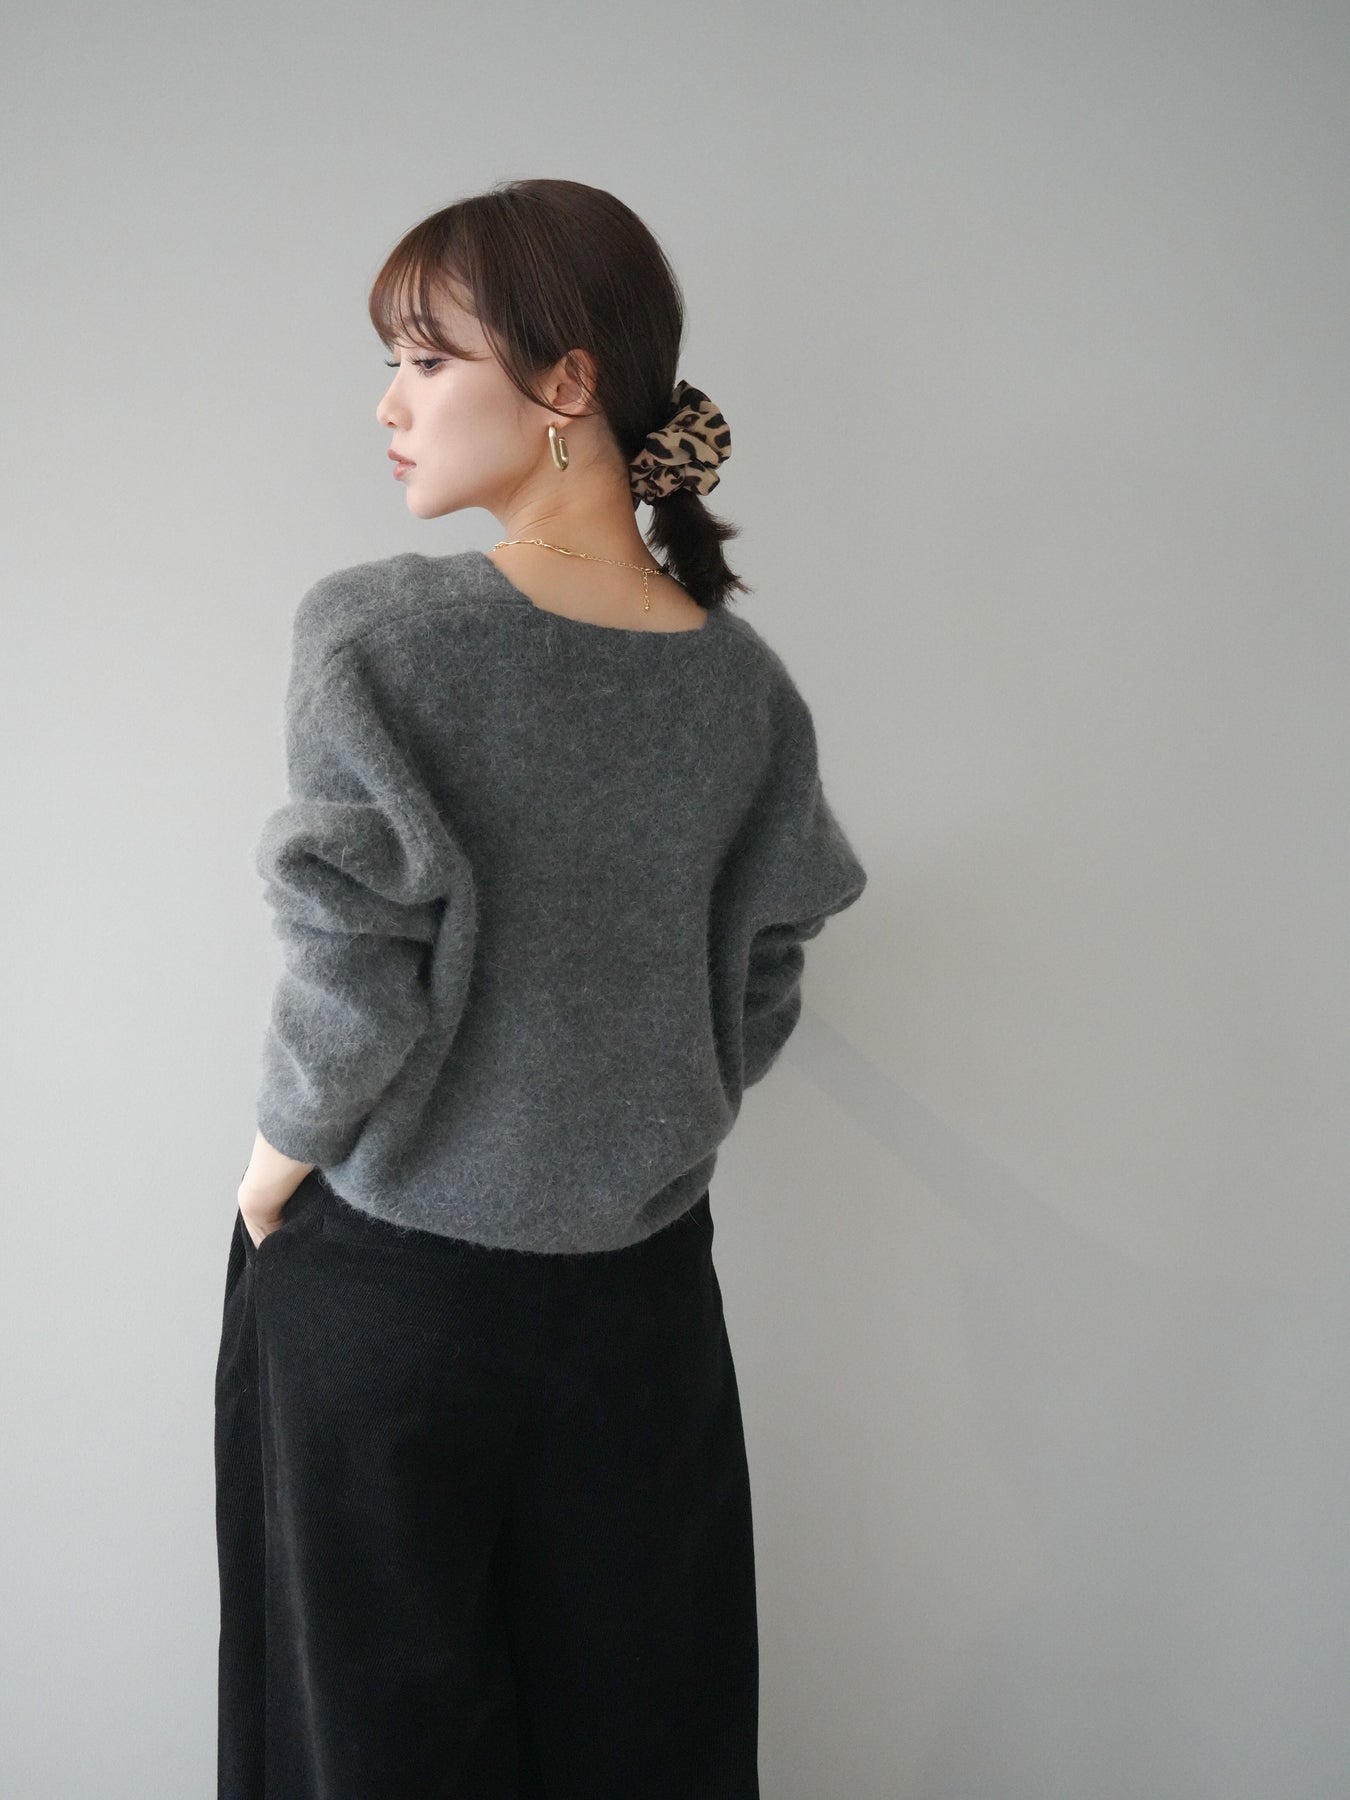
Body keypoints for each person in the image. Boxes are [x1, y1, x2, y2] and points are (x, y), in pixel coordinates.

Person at [216, 177, 868, 1799]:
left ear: (566, 380)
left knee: (369, 1746)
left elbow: (355, 963)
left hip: (393, 1292)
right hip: (640, 1308)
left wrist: (272, 1168)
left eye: (425, 359)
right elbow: (770, 957)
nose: (389, 405)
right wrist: (657, 1106)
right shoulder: (742, 687)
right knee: (644, 1735)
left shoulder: (378, 635)